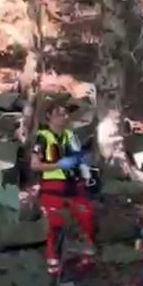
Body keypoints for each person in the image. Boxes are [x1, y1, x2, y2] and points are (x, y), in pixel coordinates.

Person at [30, 102, 96, 276]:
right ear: (49, 116)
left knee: (86, 214)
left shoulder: (70, 136)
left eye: (67, 114)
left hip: (73, 186)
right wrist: (57, 165)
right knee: (54, 222)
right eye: (60, 113)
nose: (65, 117)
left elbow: (78, 158)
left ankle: (85, 255)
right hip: (52, 187)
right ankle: (52, 259)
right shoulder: (43, 137)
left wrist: (85, 170)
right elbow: (35, 165)